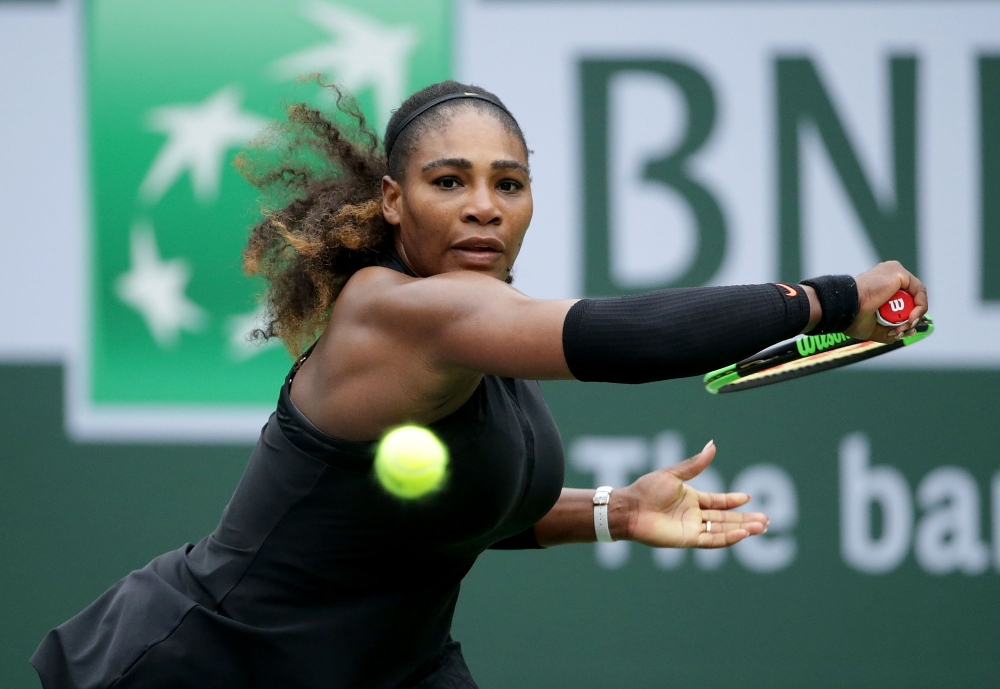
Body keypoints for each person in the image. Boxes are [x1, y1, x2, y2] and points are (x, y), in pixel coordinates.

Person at [31, 80, 928, 689]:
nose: (484, 206)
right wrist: (829, 299)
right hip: (207, 665)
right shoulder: (400, 314)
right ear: (392, 201)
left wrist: (615, 509)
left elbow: (452, 504)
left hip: (394, 667)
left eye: (510, 183)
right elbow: (619, 337)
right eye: (448, 181)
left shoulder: (474, 332)